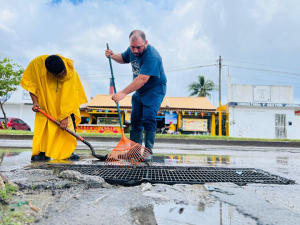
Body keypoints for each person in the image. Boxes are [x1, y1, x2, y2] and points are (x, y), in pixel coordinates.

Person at [105, 30, 167, 161]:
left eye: (139, 47)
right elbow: (123, 58)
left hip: (154, 89)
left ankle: (148, 152)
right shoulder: (132, 49)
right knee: (135, 120)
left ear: (146, 42)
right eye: (133, 47)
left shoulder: (152, 56)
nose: (135, 50)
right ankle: (134, 152)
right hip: (139, 90)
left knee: (148, 118)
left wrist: (123, 92)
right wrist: (112, 55)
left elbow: (142, 79)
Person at [20, 55, 88, 161]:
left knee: (68, 127)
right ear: (50, 73)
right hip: (45, 104)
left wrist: (65, 116)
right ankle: (43, 153)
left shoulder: (70, 71)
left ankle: (68, 152)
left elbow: (71, 96)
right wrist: (35, 102)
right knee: (45, 128)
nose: (62, 75)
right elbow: (32, 85)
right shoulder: (36, 65)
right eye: (58, 75)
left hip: (65, 106)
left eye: (63, 73)